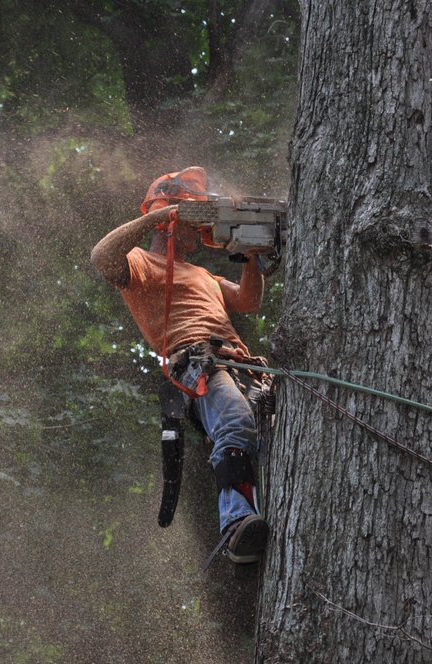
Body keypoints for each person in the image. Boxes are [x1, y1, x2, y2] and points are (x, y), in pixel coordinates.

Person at [90, 166, 269, 564]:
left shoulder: (203, 273)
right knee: (236, 424)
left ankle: (258, 510)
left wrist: (252, 255)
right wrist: (158, 216)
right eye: (193, 219)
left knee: (267, 435)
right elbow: (102, 257)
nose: (200, 230)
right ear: (173, 220)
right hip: (197, 363)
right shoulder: (140, 263)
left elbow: (247, 301)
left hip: (241, 365)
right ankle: (236, 525)